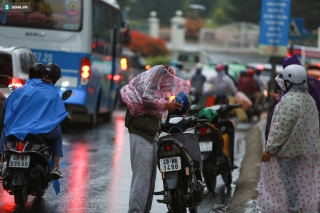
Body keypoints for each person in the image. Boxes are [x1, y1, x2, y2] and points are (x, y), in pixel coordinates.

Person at [120, 64, 191, 213]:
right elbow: (147, 98)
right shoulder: (156, 75)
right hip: (142, 131)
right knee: (142, 179)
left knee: (150, 181)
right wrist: (166, 105)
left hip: (151, 132)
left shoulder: (158, 80)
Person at [259, 64, 320, 212]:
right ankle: (301, 208)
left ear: (289, 81)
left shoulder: (290, 100)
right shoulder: (308, 99)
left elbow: (281, 128)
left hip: (289, 152)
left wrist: (269, 149)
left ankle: (294, 209)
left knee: (290, 183)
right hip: (306, 150)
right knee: (302, 183)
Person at [0, 62, 68, 178]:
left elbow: (8, 105)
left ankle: (1, 162)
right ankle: (56, 167)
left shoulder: (23, 89)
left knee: (6, 130)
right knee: (57, 135)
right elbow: (57, 112)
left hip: (17, 128)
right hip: (41, 130)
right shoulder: (52, 92)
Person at [264, 55, 320, 141]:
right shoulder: (313, 82)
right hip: (314, 130)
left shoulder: (291, 86)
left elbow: (283, 124)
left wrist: (270, 149)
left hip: (296, 139)